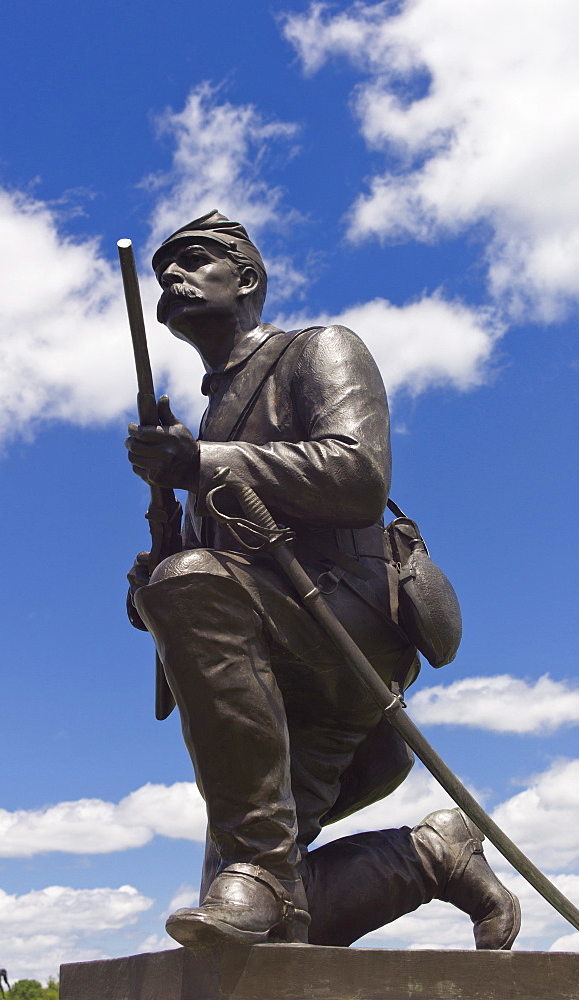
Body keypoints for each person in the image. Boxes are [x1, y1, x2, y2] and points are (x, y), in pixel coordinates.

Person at [125, 210, 519, 950]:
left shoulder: (319, 350)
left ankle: (262, 872)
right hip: (273, 669)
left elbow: (358, 474)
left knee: (186, 582)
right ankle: (433, 855)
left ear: (246, 279)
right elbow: (213, 588)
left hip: (344, 633)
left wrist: (200, 471)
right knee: (273, 931)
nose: (171, 277)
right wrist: (154, 576)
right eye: (161, 273)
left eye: (193, 261)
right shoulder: (208, 425)